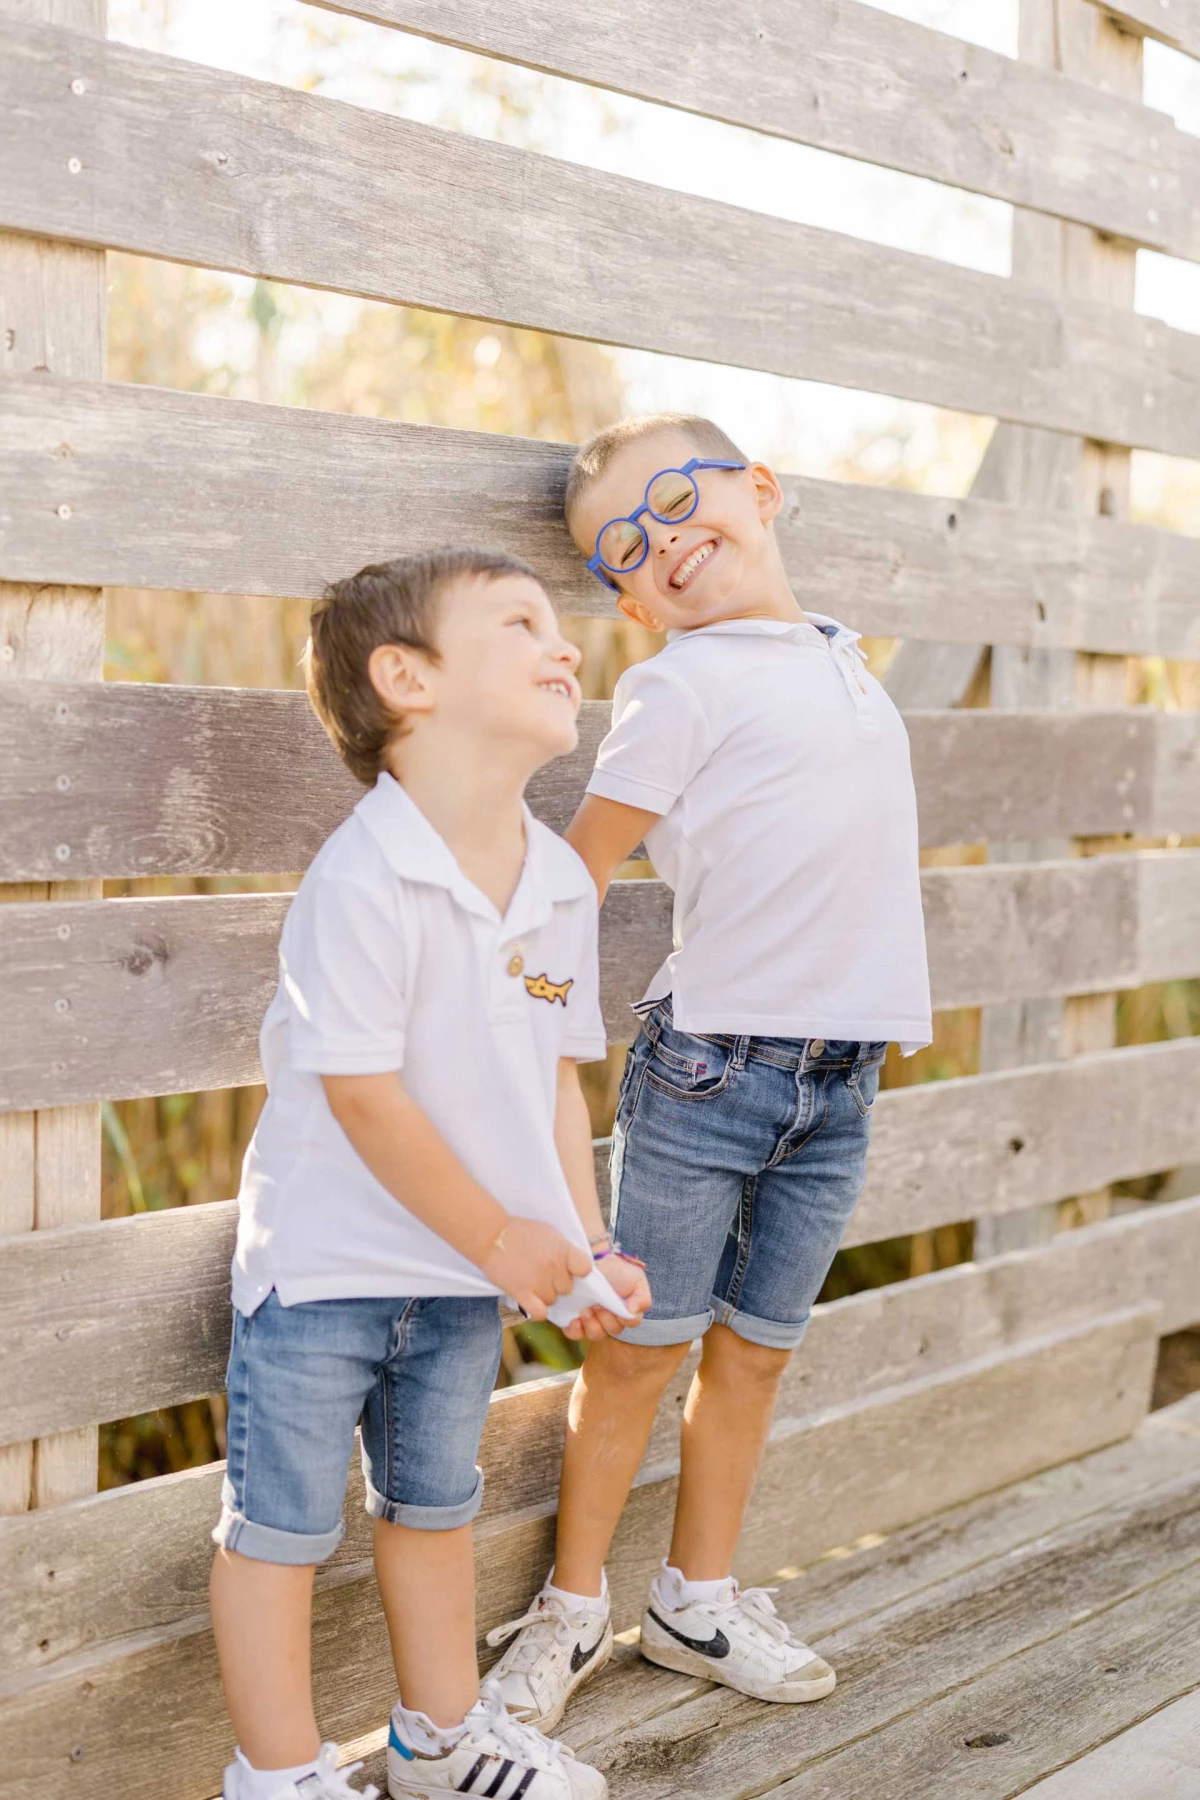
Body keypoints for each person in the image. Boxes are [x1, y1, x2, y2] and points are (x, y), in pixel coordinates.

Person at [489, 416, 931, 1729]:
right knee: (638, 1357)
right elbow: (579, 870)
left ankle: (697, 1597)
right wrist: (523, 1023)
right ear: (625, 598)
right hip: (712, 1074)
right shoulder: (675, 689)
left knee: (757, 1354)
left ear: (763, 490)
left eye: (679, 501)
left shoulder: (843, 657)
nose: (664, 543)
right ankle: (574, 1611)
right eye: (626, 546)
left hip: (842, 1082)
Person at [210, 550, 649, 1800]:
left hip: (460, 1277)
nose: (566, 647)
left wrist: (582, 1242)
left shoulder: (559, 881)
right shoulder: (365, 878)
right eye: (522, 623)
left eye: (563, 629)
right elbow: (364, 1095)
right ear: (407, 679)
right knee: (279, 1529)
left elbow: (558, 1084)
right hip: (325, 1270)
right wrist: (511, 1241)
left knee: (434, 1508)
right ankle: (281, 1775)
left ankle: (440, 1738)